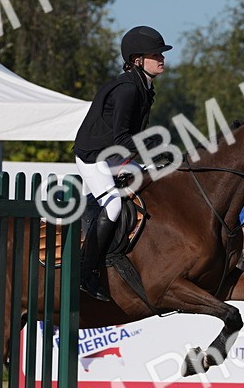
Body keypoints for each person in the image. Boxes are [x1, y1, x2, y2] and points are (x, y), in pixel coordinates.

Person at [73, 25, 172, 300]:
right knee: (114, 204)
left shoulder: (144, 86)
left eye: (161, 54)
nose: (162, 58)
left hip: (115, 154)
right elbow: (121, 138)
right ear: (137, 60)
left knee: (154, 182)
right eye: (155, 54)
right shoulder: (127, 89)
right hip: (94, 157)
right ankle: (86, 271)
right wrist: (153, 148)